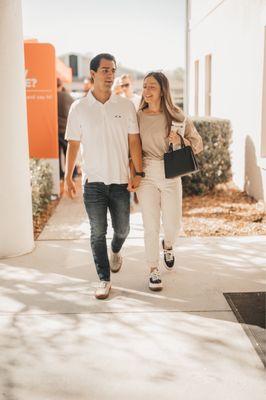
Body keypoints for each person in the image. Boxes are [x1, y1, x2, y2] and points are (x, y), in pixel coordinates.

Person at [64, 53, 143, 300]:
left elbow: (134, 143)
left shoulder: (125, 105)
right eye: (105, 70)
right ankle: (104, 279)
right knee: (97, 232)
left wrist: (137, 173)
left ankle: (116, 250)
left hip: (120, 181)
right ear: (93, 73)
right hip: (94, 183)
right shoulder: (79, 108)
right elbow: (73, 145)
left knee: (123, 230)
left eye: (113, 70)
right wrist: (68, 177)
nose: (110, 75)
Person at [133, 72, 203, 291]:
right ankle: (153, 269)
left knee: (173, 224)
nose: (147, 90)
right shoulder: (138, 116)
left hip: (171, 172)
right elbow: (130, 146)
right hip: (146, 172)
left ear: (163, 90)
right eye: (145, 86)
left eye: (152, 86)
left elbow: (198, 144)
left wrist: (181, 140)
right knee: (150, 225)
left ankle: (169, 244)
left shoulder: (176, 115)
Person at [57, 78, 78, 179]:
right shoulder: (67, 96)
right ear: (61, 85)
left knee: (58, 154)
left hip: (55, 129)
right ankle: (72, 174)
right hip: (66, 129)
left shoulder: (53, 97)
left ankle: (60, 174)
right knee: (68, 152)